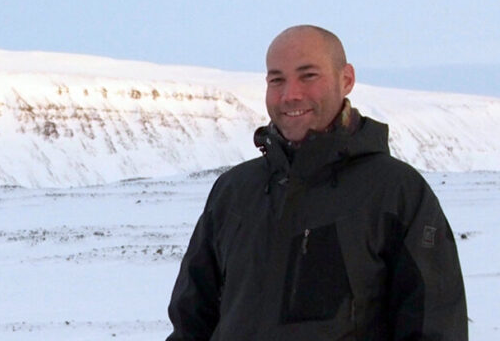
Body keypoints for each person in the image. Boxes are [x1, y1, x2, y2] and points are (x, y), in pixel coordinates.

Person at [166, 25, 468, 340]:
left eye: (308, 76)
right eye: (276, 79)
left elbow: (435, 325)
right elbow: (191, 321)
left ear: (346, 79)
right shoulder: (234, 191)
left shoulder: (396, 191)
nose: (290, 94)